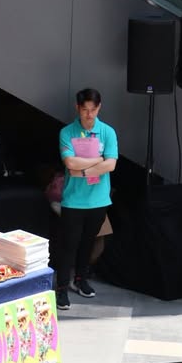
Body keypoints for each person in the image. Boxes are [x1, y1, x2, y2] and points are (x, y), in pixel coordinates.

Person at [56, 87, 118, 310]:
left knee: (88, 242)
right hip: (73, 200)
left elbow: (111, 164)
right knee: (68, 245)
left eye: (93, 109)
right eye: (85, 110)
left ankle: (81, 279)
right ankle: (62, 287)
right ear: (78, 108)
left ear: (99, 108)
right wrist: (97, 161)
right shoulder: (67, 132)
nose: (89, 114)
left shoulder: (107, 132)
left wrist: (82, 170)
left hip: (98, 200)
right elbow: (70, 163)